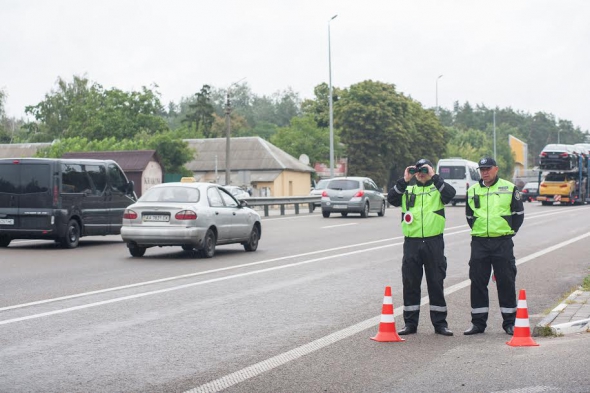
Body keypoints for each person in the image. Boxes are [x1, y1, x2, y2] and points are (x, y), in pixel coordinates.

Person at [388, 158, 456, 336]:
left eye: (424, 170)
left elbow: (450, 195)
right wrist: (404, 180)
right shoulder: (408, 189)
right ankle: (410, 323)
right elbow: (392, 199)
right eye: (418, 170)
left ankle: (440, 324)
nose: (421, 173)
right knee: (410, 283)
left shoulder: (437, 188)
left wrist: (434, 176)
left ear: (431, 170)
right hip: (412, 242)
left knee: (436, 282)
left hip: (434, 242)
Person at [464, 157, 524, 336]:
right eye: (482, 169)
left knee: (506, 281)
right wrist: (480, 230)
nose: (484, 172)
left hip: (502, 242)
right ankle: (478, 323)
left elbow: (518, 215)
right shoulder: (473, 190)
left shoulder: (509, 188)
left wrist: (507, 232)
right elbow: (469, 216)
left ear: (496, 169)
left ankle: (510, 323)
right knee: (478, 282)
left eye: (488, 168)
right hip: (479, 242)